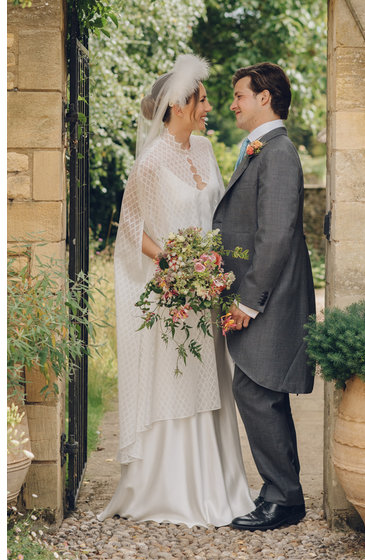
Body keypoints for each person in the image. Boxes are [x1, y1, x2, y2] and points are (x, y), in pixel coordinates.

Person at [102, 54, 254, 527]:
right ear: (181, 104)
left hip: (207, 291)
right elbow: (131, 229)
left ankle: (220, 484)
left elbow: (220, 214)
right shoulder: (149, 163)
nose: (210, 106)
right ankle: (170, 489)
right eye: (204, 98)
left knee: (212, 375)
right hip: (174, 293)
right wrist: (172, 263)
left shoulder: (206, 150)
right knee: (178, 380)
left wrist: (218, 269)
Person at [212, 62, 316, 532]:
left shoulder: (278, 153)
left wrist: (247, 301)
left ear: (265, 98)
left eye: (239, 95)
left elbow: (274, 235)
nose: (232, 104)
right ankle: (282, 491)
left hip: (270, 297)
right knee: (261, 391)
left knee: (256, 390)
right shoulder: (261, 149)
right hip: (263, 293)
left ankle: (285, 499)